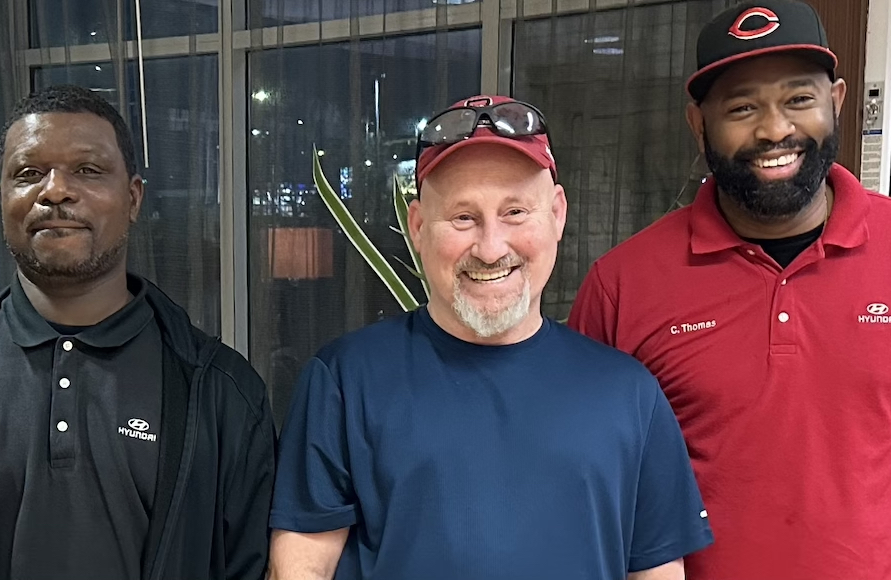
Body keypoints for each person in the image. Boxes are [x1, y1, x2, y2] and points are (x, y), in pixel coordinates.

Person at [569, 2, 891, 579]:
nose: (774, 129)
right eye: (742, 107)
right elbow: (590, 491)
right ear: (699, 125)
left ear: (837, 101)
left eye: (799, 99)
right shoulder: (623, 286)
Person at [268, 95, 713, 580]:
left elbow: (657, 572)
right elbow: (301, 567)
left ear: (558, 214)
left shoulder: (630, 395)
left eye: (516, 212)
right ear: (417, 226)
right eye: (463, 217)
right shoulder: (345, 380)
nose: (491, 247)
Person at [0, 84, 275, 580]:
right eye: (28, 173)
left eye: (87, 170)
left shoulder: (221, 390)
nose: (54, 190)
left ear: (133, 198)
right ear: (2, 199)